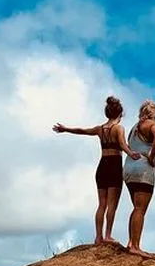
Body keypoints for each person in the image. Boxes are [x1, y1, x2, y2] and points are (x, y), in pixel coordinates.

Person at [53, 96, 142, 245]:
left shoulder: (100, 129)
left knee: (102, 204)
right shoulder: (118, 128)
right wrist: (132, 154)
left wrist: (65, 129)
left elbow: (82, 130)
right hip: (114, 165)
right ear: (120, 115)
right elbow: (122, 144)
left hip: (102, 166)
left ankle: (98, 236)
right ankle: (108, 235)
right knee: (112, 204)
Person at [123, 100, 155, 257]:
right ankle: (136, 246)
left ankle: (131, 242)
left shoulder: (134, 128)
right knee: (141, 209)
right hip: (143, 172)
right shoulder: (152, 124)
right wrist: (152, 155)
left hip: (128, 171)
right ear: (154, 114)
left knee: (136, 208)